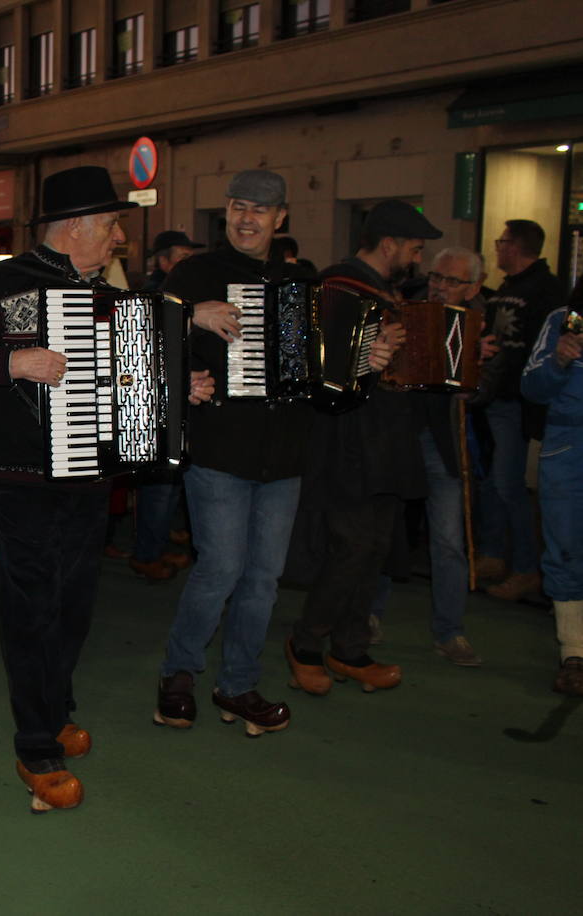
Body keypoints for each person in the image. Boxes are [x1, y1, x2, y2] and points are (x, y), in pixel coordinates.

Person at [0, 165, 212, 810]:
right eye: (110, 224)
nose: (118, 238)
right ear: (75, 224)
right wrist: (9, 361)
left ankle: (55, 710)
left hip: (90, 473)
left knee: (75, 602)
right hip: (22, 478)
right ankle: (34, 740)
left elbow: (130, 380)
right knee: (30, 606)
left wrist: (174, 394)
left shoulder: (112, 296)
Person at [152, 170, 326, 737]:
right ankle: (178, 676)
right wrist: (188, 315)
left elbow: (314, 373)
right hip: (220, 448)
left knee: (264, 579)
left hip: (284, 456)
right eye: (237, 206)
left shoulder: (302, 280)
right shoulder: (193, 273)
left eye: (260, 209)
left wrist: (361, 366)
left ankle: (238, 684)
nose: (247, 218)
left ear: (281, 219)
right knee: (221, 569)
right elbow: (140, 337)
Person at [287, 199, 433, 696]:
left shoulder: (391, 292)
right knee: (351, 547)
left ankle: (349, 649)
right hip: (347, 438)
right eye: (413, 247)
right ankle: (305, 643)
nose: (416, 257)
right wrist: (369, 354)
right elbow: (318, 369)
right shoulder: (338, 285)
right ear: (388, 243)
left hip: (387, 438)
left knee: (374, 548)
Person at [366, 247, 495, 666]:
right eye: (437, 277)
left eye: (451, 281)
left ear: (474, 286)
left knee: (448, 540)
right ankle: (368, 614)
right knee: (388, 530)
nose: (439, 286)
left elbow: (486, 389)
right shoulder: (403, 303)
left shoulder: (479, 323)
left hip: (443, 443)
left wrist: (475, 374)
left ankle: (450, 631)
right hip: (401, 436)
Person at [476, 219, 566, 601]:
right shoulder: (507, 289)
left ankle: (528, 568)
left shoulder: (546, 291)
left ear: (515, 247)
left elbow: (541, 351)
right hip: (494, 397)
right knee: (494, 483)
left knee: (509, 485)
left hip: (517, 400)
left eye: (501, 241)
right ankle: (494, 555)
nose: (497, 248)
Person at [127, 230, 206, 581]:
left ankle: (155, 545)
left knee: (169, 486)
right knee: (159, 487)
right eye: (182, 255)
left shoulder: (180, 289)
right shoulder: (156, 295)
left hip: (177, 400)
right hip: (159, 406)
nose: (190, 262)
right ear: (163, 261)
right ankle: (147, 553)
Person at [520, 279, 583, 694]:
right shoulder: (563, 321)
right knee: (564, 548)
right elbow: (531, 387)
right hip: (567, 450)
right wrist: (558, 362)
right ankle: (573, 653)